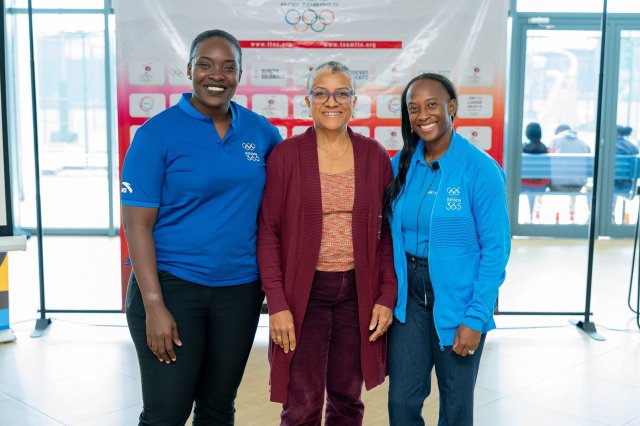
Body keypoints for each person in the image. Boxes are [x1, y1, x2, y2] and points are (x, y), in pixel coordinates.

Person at [121, 29, 282, 425]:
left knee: (217, 407)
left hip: (240, 291)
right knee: (166, 413)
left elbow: (281, 209)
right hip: (172, 288)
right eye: (206, 65)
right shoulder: (156, 133)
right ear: (189, 69)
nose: (217, 75)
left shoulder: (261, 132)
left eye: (228, 67)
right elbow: (137, 226)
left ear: (240, 74)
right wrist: (154, 306)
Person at [258, 61, 397, 425]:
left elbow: (386, 235)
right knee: (301, 403)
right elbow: (269, 232)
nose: (331, 102)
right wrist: (277, 303)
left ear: (354, 101)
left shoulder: (374, 155)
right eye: (321, 93)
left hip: (357, 293)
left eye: (341, 93)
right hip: (303, 294)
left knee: (347, 400)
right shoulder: (286, 155)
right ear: (308, 101)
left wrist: (386, 295)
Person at [382, 73, 510, 426]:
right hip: (409, 298)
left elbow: (496, 250)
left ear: (451, 107)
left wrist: (476, 317)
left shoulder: (481, 170)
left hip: (459, 299)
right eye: (414, 108)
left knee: (455, 407)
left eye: (432, 105)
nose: (423, 115)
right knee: (401, 401)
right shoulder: (401, 164)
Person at [549, 124, 591, 223]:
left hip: (557, 186)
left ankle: (537, 216)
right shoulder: (584, 143)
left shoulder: (554, 141)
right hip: (578, 185)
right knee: (574, 179)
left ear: (558, 132)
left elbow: (548, 163)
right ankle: (572, 214)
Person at [520, 122, 549, 222]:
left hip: (523, 184)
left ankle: (530, 216)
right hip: (541, 185)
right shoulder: (545, 149)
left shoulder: (521, 149)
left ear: (527, 134)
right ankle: (534, 215)